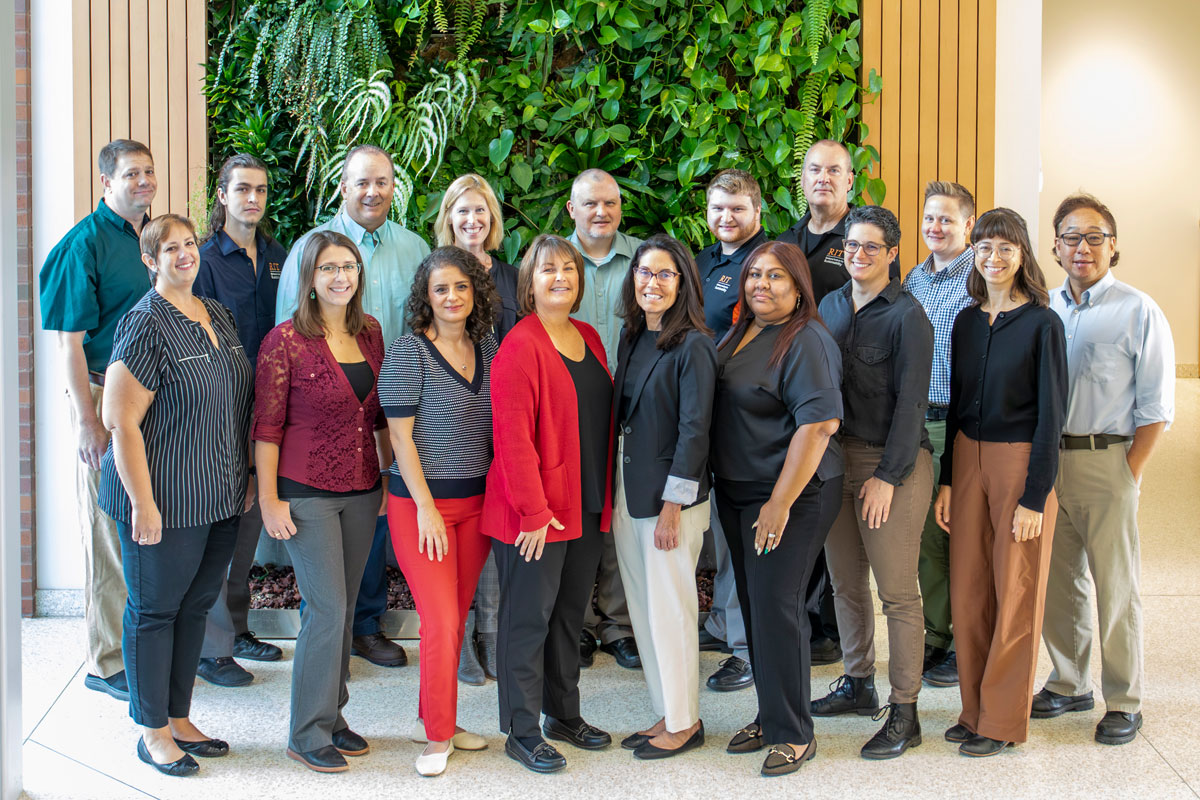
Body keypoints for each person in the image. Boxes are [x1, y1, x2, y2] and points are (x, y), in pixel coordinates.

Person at [97, 214, 253, 776]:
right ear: (150, 261)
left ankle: (180, 716)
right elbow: (121, 421)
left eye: (190, 245)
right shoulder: (145, 324)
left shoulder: (217, 314)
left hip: (217, 496)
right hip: (162, 500)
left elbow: (237, 402)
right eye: (171, 248)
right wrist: (142, 503)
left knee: (193, 608)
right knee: (153, 612)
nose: (185, 255)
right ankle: (152, 730)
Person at [276, 145, 430, 670]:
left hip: (390, 409)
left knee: (374, 515)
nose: (373, 191)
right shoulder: (309, 249)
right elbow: (288, 336)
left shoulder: (414, 248)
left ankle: (366, 625)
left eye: (383, 182)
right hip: (323, 416)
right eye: (362, 182)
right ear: (343, 186)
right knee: (326, 525)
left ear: (393, 188)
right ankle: (328, 634)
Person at [1033, 194, 1174, 746]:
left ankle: (1124, 699)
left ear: (1113, 247)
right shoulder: (1045, 308)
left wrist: (1128, 472)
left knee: (1116, 587)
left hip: (1106, 459)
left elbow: (1157, 407)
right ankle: (1069, 682)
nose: (1082, 247)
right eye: (1071, 237)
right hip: (1049, 463)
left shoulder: (1139, 310)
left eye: (1095, 237)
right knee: (1057, 582)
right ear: (1056, 248)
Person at [933, 208, 1068, 757]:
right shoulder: (965, 322)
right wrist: (946, 480)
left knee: (1015, 593)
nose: (993, 257)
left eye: (1005, 248)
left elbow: (1051, 417)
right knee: (968, 591)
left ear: (1022, 255)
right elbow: (959, 404)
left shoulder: (1042, 322)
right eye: (985, 246)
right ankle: (974, 711)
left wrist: (1035, 496)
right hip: (966, 460)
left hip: (1019, 465)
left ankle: (1003, 720)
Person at [255, 231, 390, 773]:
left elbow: (379, 416)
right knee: (328, 609)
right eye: (329, 268)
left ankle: (333, 716)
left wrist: (384, 479)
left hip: (361, 489)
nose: (341, 277)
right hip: (306, 491)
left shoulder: (372, 333)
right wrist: (269, 498)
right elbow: (266, 428)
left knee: (346, 603)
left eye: (349, 267)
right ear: (309, 278)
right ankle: (306, 732)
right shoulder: (284, 341)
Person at [484, 234, 614, 774]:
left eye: (567, 268)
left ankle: (564, 714)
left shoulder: (589, 337)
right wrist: (534, 514)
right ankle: (520, 728)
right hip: (533, 514)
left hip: (583, 506)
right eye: (547, 270)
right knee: (527, 620)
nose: (559, 276)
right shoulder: (520, 344)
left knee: (567, 618)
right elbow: (511, 438)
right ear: (529, 283)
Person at [712, 241, 843, 777]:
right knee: (757, 607)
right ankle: (771, 715)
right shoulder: (744, 330)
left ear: (798, 287)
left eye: (776, 278)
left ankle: (794, 733)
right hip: (739, 490)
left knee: (779, 609)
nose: (762, 285)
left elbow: (817, 427)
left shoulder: (807, 338)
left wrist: (779, 503)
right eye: (754, 276)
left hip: (789, 495)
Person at [38, 139, 157, 703]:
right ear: (106, 181)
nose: (143, 182)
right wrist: (87, 424)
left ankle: (139, 647)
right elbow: (67, 345)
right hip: (98, 397)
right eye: (131, 173)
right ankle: (106, 660)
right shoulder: (82, 245)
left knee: (141, 523)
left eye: (148, 172)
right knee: (106, 530)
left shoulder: (149, 239)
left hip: (146, 403)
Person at [813, 206, 934, 759]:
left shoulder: (909, 317)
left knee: (898, 592)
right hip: (835, 461)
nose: (858, 256)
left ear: (892, 254)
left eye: (870, 247)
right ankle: (858, 682)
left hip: (893, 463)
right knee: (844, 583)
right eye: (850, 247)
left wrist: (888, 477)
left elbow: (913, 405)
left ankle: (904, 709)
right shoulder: (831, 305)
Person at [776, 139, 899, 666]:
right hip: (795, 406)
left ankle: (832, 632)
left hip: (855, 415)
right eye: (813, 169)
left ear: (851, 181)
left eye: (834, 170)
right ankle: (805, 623)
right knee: (806, 515)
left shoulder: (862, 241)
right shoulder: (785, 243)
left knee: (840, 534)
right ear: (800, 180)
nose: (822, 178)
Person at [379, 247, 498, 775]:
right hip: (421, 506)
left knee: (456, 618)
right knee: (442, 620)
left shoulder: (489, 347)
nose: (452, 298)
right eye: (440, 289)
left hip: (476, 506)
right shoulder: (409, 353)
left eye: (461, 288)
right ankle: (435, 738)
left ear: (475, 293)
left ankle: (442, 719)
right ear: (426, 298)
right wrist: (425, 508)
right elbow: (400, 439)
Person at [612, 235, 717, 760]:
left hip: (670, 504)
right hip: (629, 495)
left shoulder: (694, 344)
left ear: (683, 284)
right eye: (644, 274)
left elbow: (696, 431)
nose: (652, 283)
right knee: (645, 609)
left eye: (664, 275)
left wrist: (673, 506)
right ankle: (667, 708)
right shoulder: (633, 336)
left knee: (672, 610)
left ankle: (685, 721)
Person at [193, 154, 287, 687]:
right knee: (219, 527)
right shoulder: (204, 259)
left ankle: (237, 627)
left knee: (249, 522)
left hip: (267, 408)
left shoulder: (277, 255)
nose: (253, 199)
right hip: (220, 409)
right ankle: (210, 650)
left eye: (261, 190)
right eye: (243, 189)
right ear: (223, 196)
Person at [432, 173, 518, 684]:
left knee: (491, 530)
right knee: (453, 532)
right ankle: (460, 639)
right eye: (462, 211)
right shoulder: (436, 270)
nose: (472, 220)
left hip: (499, 418)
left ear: (492, 219)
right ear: (449, 218)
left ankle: (490, 635)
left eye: (480, 211)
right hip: (449, 419)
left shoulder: (509, 277)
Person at [902, 181, 977, 689]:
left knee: (961, 533)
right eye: (930, 218)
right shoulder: (914, 276)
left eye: (947, 219)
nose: (936, 227)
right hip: (914, 418)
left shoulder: (979, 274)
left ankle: (965, 640)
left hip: (959, 420)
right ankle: (936, 634)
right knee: (927, 535)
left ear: (968, 224)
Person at [695, 169, 767, 692]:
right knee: (720, 530)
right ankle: (723, 625)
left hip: (747, 416)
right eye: (718, 208)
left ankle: (746, 648)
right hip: (706, 415)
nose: (727, 217)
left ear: (758, 213)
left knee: (744, 533)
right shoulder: (702, 263)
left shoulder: (766, 264)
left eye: (737, 208)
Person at [566, 169, 641, 670]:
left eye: (610, 203)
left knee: (617, 515)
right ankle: (575, 625)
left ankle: (616, 623)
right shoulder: (551, 257)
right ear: (572, 209)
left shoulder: (642, 260)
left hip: (629, 406)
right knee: (572, 514)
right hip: (564, 409)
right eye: (590, 203)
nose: (601, 212)